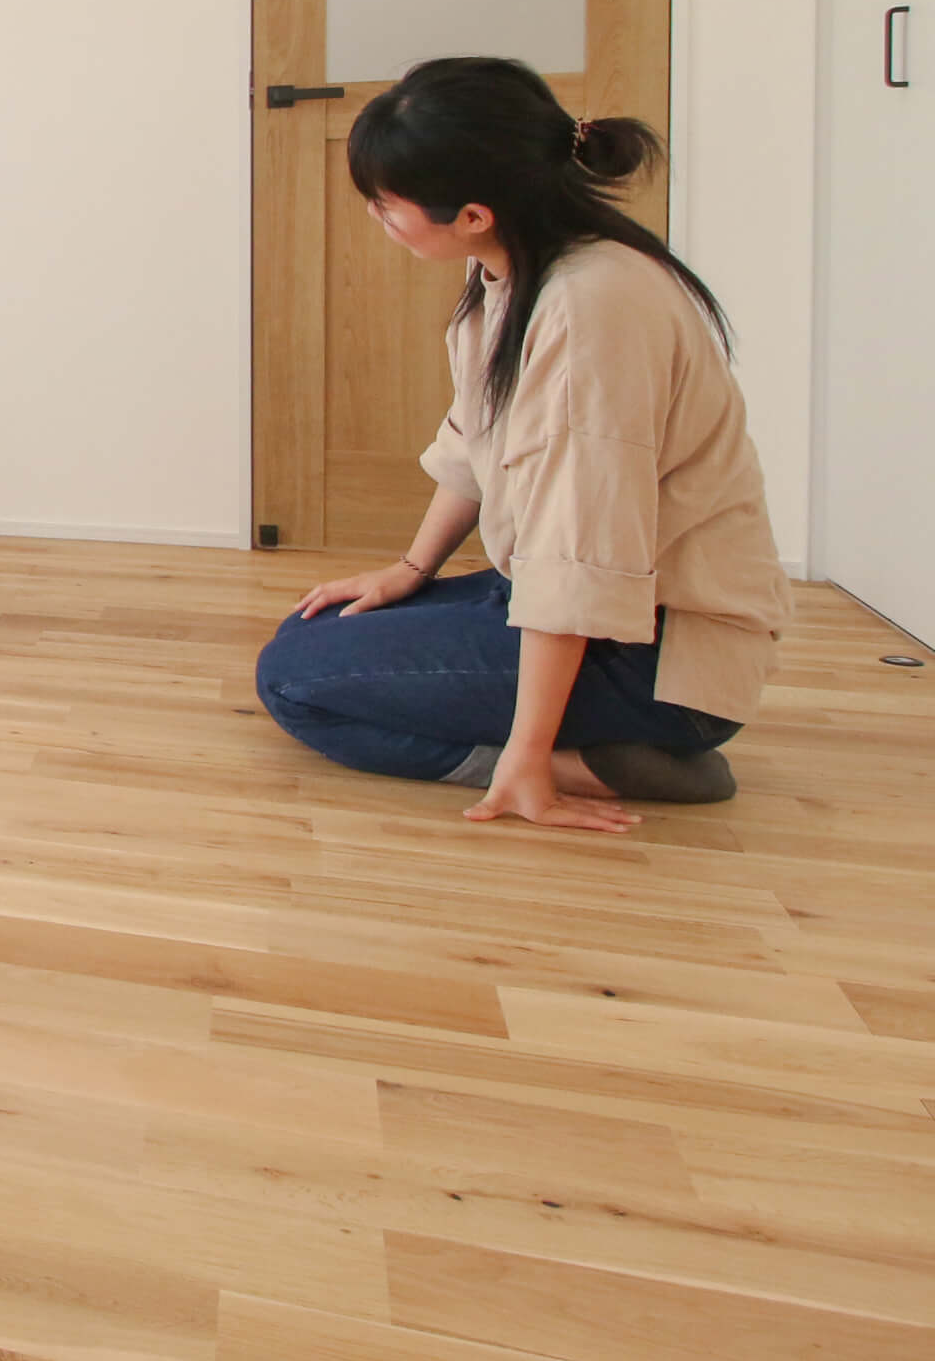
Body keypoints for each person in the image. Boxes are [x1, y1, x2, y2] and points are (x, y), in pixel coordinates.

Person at [254, 57, 791, 832]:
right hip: (614, 616)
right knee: (313, 633)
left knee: (293, 682)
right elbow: (475, 442)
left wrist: (529, 754)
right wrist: (409, 571)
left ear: (472, 213)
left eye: (385, 203)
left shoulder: (589, 306)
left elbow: (578, 552)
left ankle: (606, 760)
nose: (375, 218)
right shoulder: (515, 269)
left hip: (658, 659)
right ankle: (585, 741)